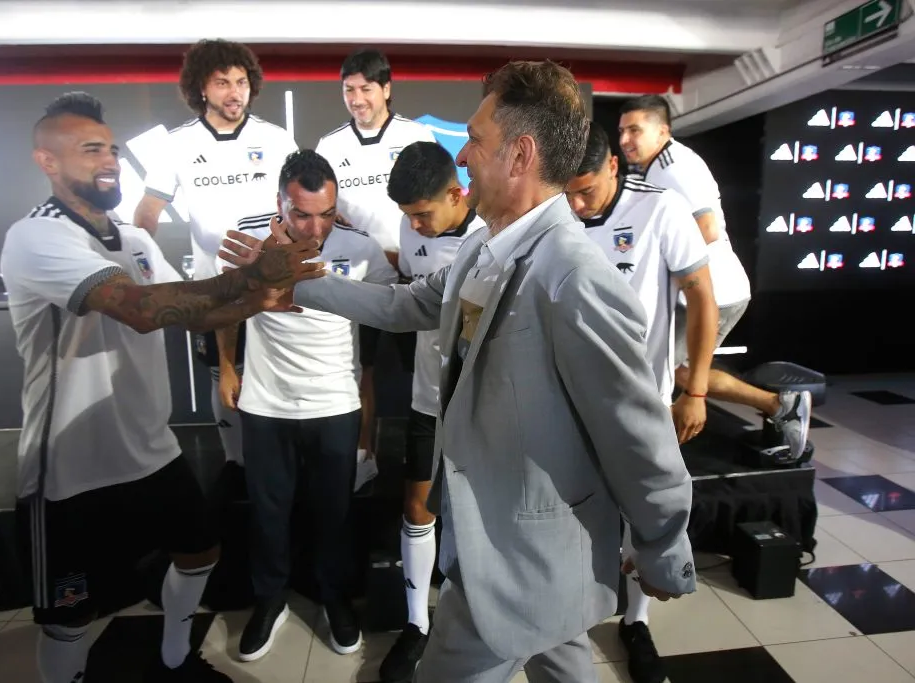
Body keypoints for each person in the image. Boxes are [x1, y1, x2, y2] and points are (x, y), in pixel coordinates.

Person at [223, 60, 696, 683]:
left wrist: (664, 545)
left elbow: (636, 429)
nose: (464, 155)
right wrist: (298, 284)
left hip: (521, 545)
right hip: (513, 542)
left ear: (520, 155)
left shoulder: (575, 277)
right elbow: (408, 304)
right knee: (562, 656)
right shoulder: (484, 246)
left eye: (475, 139)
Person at [0, 93, 322, 683]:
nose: (110, 161)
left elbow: (193, 311)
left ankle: (175, 658)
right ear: (47, 161)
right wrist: (252, 277)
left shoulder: (136, 239)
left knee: (200, 553)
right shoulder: (34, 237)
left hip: (150, 449)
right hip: (70, 468)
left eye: (113, 150)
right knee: (69, 616)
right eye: (90, 149)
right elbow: (144, 309)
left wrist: (267, 295)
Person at [217, 150, 398, 663]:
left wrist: (370, 418)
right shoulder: (247, 241)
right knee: (269, 513)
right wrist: (228, 367)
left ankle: (333, 596)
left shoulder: (360, 248)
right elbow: (222, 306)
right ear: (280, 202)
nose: (316, 227)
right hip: (266, 401)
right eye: (301, 214)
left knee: (334, 514)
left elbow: (385, 324)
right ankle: (269, 599)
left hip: (334, 401)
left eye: (326, 213)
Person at [565, 121, 719, 683]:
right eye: (568, 192)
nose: (577, 206)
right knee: (575, 514)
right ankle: (576, 613)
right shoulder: (557, 213)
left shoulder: (662, 210)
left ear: (613, 167)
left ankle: (637, 621)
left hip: (643, 403)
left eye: (587, 190)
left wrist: (696, 388)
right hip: (570, 402)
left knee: (643, 517)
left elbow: (702, 296)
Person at [133, 39, 299, 469]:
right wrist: (145, 271)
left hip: (272, 285)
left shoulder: (276, 139)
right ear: (201, 88)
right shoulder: (176, 144)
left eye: (241, 82)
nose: (234, 92)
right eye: (223, 82)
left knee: (277, 376)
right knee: (223, 378)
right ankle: (233, 465)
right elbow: (147, 213)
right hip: (215, 288)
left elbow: (298, 207)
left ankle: (277, 465)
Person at [618, 95, 812, 460]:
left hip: (714, 292)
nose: (626, 139)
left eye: (635, 130)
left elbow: (705, 229)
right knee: (672, 371)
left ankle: (778, 404)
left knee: (662, 373)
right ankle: (778, 404)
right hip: (703, 291)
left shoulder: (674, 167)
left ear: (662, 130)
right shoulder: (658, 165)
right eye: (622, 131)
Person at [378, 140, 483, 683]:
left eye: (423, 213)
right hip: (425, 399)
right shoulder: (408, 231)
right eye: (407, 216)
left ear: (456, 192)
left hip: (482, 407)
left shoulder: (494, 238)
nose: (415, 226)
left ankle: (477, 614)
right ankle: (417, 624)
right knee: (418, 508)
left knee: (481, 515)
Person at [315, 48, 438, 489]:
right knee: (359, 370)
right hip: (359, 277)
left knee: (423, 373)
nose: (357, 97)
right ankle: (363, 455)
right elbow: (329, 214)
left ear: (386, 88)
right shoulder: (330, 146)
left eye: (366, 88)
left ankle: (427, 457)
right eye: (349, 89)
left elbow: (438, 201)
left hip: (414, 276)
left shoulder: (416, 134)